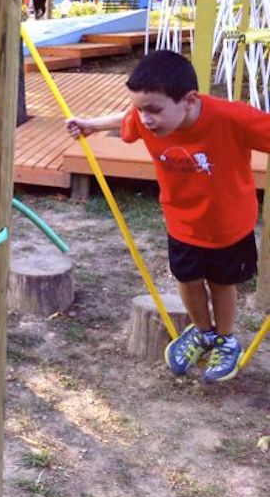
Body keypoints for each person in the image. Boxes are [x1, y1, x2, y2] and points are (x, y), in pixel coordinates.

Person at [66, 50, 268, 383]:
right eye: (140, 108)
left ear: (189, 100)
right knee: (186, 279)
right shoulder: (150, 119)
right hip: (182, 222)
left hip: (229, 225)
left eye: (153, 110)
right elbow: (126, 119)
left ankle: (225, 338)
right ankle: (202, 331)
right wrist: (90, 125)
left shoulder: (231, 118)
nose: (145, 119)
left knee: (222, 283)